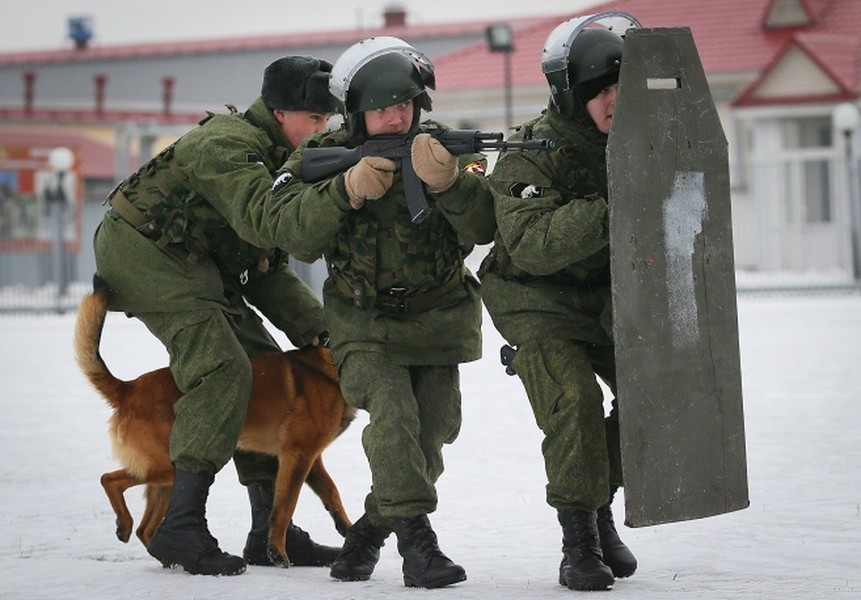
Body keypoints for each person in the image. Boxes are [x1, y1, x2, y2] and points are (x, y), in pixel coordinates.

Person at [92, 55, 343, 576]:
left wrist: (319, 329)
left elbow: (264, 269)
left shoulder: (279, 159)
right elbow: (268, 222)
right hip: (145, 252)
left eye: (329, 122)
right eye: (315, 120)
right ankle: (180, 526)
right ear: (279, 112)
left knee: (263, 370)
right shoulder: (228, 145)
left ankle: (268, 532)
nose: (323, 131)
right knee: (224, 370)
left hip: (194, 261)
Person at [269, 37, 495, 589]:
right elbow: (291, 234)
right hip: (362, 321)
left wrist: (448, 184)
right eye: (382, 107)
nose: (397, 116)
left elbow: (485, 228)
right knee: (393, 419)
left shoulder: (445, 151)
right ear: (356, 112)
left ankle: (368, 533)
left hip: (438, 318)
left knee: (433, 432)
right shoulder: (320, 158)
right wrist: (343, 190)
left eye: (405, 104)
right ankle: (419, 546)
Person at [477, 16, 639, 592]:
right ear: (573, 93)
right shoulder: (531, 152)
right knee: (572, 398)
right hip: (535, 299)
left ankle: (600, 510)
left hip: (610, 300)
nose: (615, 100)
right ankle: (579, 543)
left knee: (650, 392)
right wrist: (614, 204)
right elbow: (534, 244)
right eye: (601, 89)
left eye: (624, 85)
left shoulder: (647, 141)